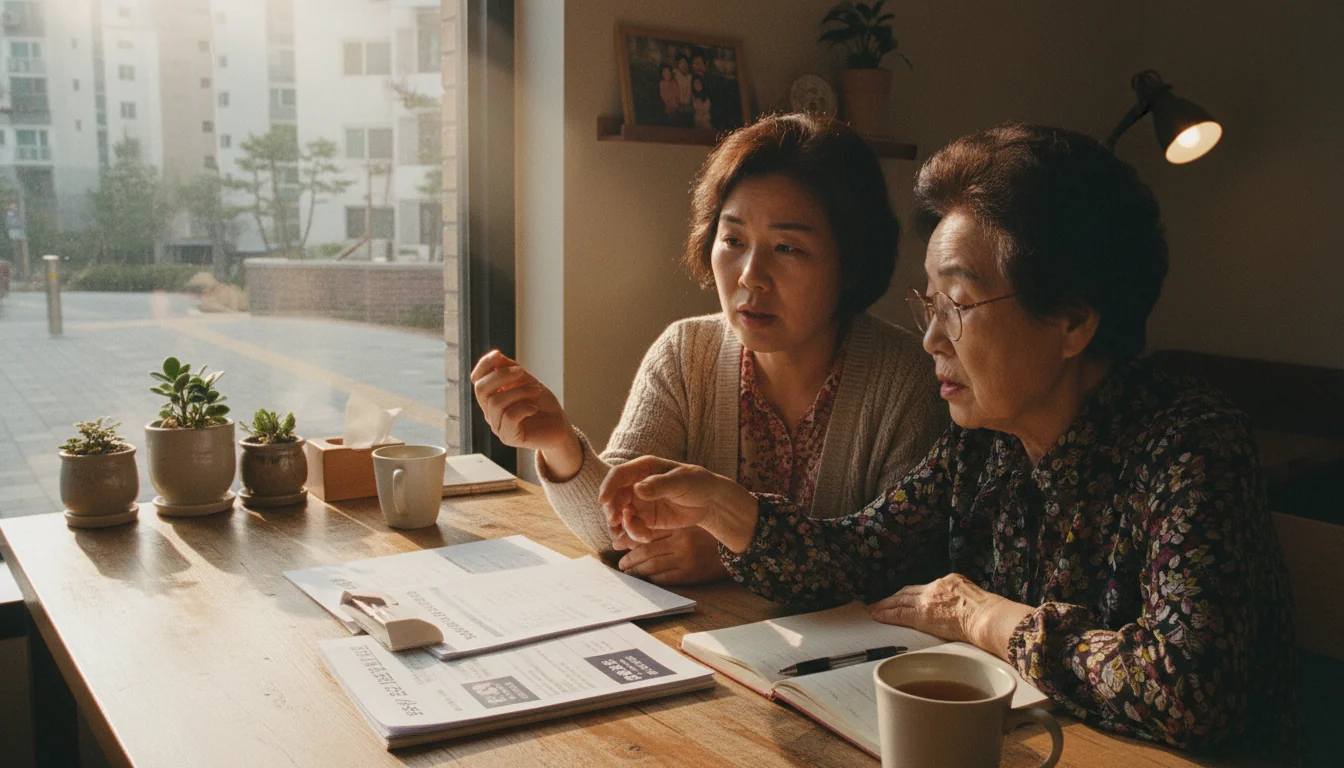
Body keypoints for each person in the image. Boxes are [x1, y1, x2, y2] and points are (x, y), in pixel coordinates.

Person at [598, 124, 1300, 759]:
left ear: (1073, 321)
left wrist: (984, 616)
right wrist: (726, 507)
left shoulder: (1189, 444)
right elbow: (854, 557)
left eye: (958, 304)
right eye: (929, 304)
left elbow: (1191, 691)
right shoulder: (985, 445)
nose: (932, 338)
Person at [472, 113, 948, 585]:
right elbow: (620, 530)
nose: (750, 275)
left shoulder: (908, 381)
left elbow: (902, 565)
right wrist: (558, 444)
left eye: (787, 248)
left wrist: (734, 550)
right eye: (734, 240)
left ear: (850, 261)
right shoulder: (686, 353)